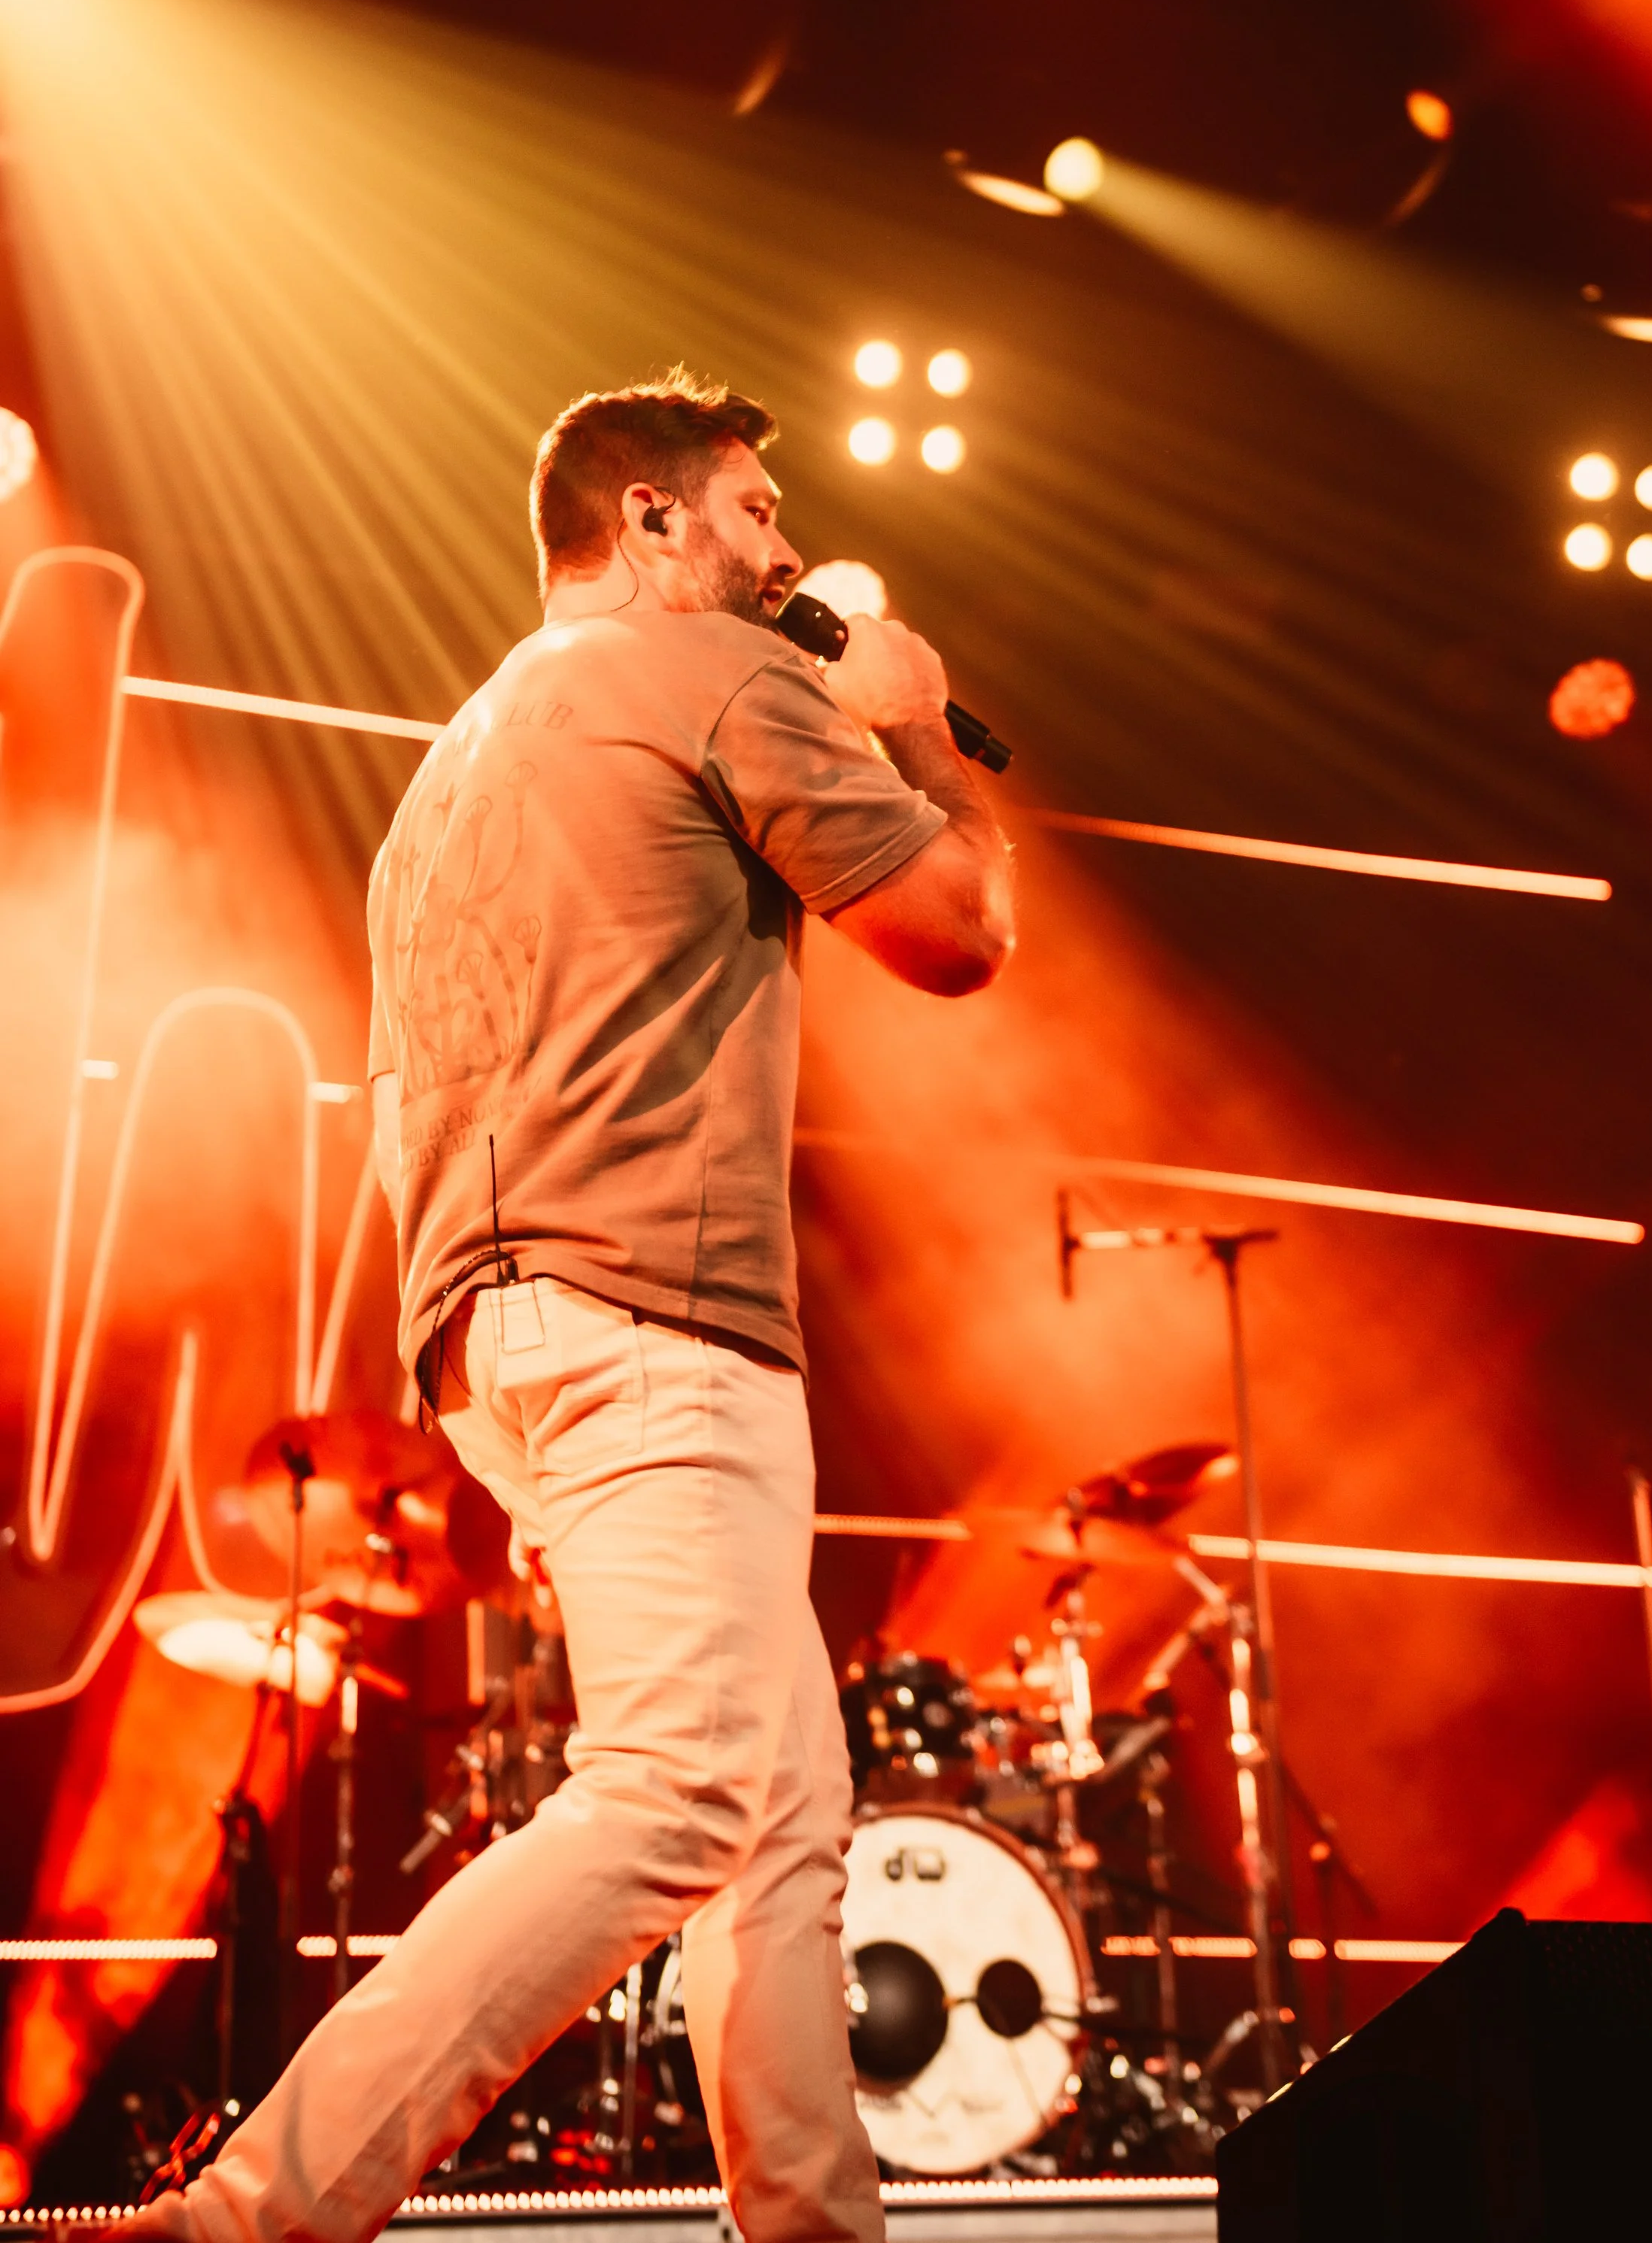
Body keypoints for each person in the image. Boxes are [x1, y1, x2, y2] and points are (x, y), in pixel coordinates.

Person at [141, 373, 1013, 2243]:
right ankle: (250, 2221)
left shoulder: (454, 763)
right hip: (655, 1312)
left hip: (496, 1332)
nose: (784, 553)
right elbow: (956, 935)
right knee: (687, 1799)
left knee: (778, 1821)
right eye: (759, 513)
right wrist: (917, 726)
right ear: (652, 523)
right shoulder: (714, 675)